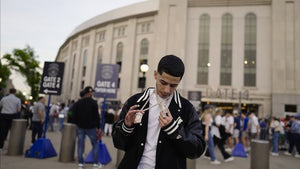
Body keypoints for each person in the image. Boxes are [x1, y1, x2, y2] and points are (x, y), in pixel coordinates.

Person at [112, 55, 206, 169]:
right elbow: (118, 143)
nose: (167, 90)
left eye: (173, 85)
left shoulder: (186, 108)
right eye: (163, 82)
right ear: (155, 74)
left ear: (179, 81)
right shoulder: (135, 102)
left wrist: (175, 130)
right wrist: (126, 126)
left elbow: (197, 149)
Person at [72, 86, 101, 169]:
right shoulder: (93, 102)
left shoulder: (78, 102)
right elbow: (97, 116)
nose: (92, 94)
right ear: (89, 93)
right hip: (91, 127)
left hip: (80, 127)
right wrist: (98, 126)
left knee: (80, 144)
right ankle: (95, 164)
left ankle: (81, 163)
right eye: (92, 92)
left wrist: (76, 123)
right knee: (95, 144)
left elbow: (72, 113)